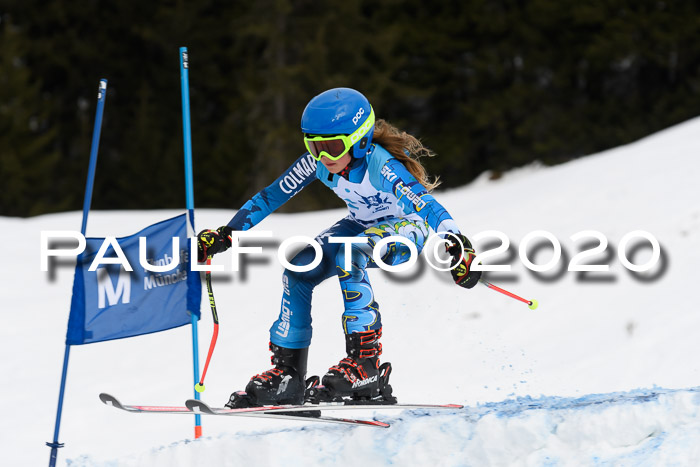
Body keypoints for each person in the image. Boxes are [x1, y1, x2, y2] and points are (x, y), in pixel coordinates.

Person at [197, 87, 481, 408]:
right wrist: (227, 233)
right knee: (298, 269)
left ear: (359, 140)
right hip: (361, 226)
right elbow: (272, 195)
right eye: (313, 146)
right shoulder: (319, 163)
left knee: (350, 251)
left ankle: (366, 366)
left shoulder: (381, 166)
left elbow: (425, 204)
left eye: (331, 147)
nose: (322, 157)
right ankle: (288, 376)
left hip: (407, 230)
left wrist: (457, 242)